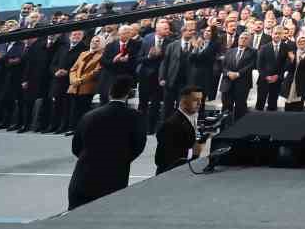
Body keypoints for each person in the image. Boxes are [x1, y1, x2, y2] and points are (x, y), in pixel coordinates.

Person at [68, 75, 146, 209]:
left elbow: (76, 147)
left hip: (83, 177)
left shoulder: (89, 116)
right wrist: (122, 159)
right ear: (129, 95)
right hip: (114, 179)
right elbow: (138, 146)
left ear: (110, 93)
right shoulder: (135, 117)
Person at [153, 86, 205, 174]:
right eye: (195, 100)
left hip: (186, 171)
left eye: (201, 99)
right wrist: (193, 152)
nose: (200, 103)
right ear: (183, 101)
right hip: (171, 175)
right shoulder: (171, 125)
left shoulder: (193, 118)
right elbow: (163, 158)